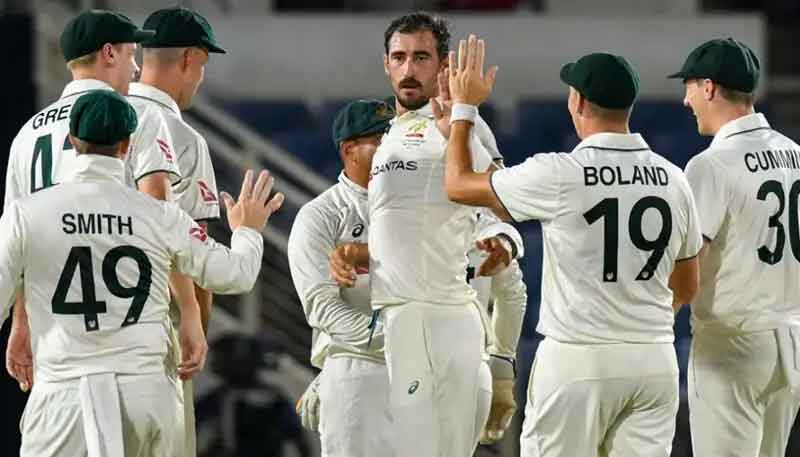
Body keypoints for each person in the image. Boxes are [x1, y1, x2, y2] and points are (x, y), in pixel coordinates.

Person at [441, 36, 702, 457]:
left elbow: (458, 185)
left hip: (578, 360)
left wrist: (463, 111)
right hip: (653, 360)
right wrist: (635, 325)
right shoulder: (675, 179)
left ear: (577, 101)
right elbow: (687, 284)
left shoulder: (561, 173)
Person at [0, 90, 284, 457]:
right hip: (147, 396)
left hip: (63, 397)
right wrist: (247, 230)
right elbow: (237, 274)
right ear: (127, 144)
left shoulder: (26, 214)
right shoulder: (159, 215)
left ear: (71, 140)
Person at [327, 13, 517, 457]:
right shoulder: (394, 130)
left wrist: (461, 122)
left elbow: (503, 202)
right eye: (399, 57)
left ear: (443, 65)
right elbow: (418, 226)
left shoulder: (455, 122)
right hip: (407, 318)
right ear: (385, 64)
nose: (409, 69)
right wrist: (358, 253)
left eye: (421, 57)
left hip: (435, 317)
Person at [291, 98, 525, 455]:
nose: (393, 148)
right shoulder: (321, 216)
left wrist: (500, 366)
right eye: (379, 140)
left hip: (446, 368)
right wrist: (402, 343)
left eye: (395, 137)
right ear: (349, 150)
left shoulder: (448, 200)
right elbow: (323, 309)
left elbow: (510, 280)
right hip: (366, 371)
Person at [4, 8, 166, 392]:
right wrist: (186, 314)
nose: (137, 69)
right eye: (131, 54)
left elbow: (17, 245)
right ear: (109, 53)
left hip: (55, 331)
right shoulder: (139, 114)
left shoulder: (26, 134)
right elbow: (159, 213)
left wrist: (20, 324)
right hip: (124, 323)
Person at [670, 38, 800, 457]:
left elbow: (689, 264)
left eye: (689, 87)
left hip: (733, 342)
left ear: (708, 87)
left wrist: (648, 324)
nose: (686, 100)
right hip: (792, 340)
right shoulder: (795, 154)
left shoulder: (711, 164)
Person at [130, 6, 226, 455]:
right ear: (190, 58)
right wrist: (197, 325)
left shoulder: (93, 120)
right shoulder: (182, 137)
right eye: (202, 66)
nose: (199, 79)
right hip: (158, 334)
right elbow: (195, 252)